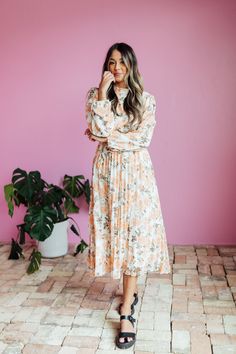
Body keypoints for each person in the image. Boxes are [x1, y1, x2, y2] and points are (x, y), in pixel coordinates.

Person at [84, 42, 171, 350]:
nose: (116, 67)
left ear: (132, 65)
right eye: (111, 62)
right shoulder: (95, 96)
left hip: (136, 175)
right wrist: (101, 93)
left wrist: (109, 137)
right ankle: (128, 295)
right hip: (107, 174)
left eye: (122, 62)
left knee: (132, 236)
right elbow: (95, 127)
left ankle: (126, 310)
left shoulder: (147, 100)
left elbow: (143, 138)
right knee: (114, 232)